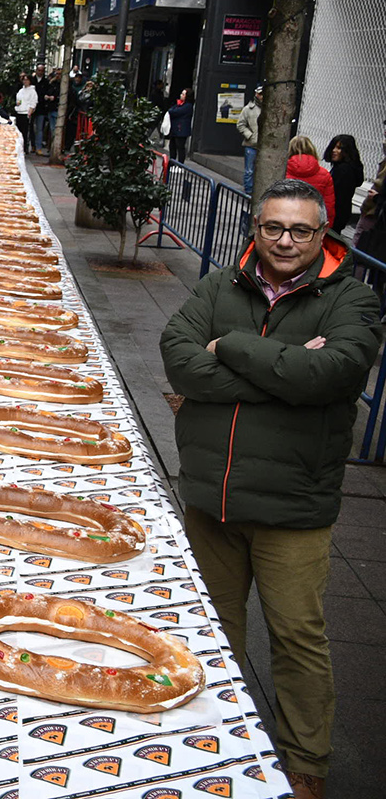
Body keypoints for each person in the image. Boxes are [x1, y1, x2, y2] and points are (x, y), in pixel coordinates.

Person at [160, 178, 382, 799]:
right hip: (212, 494)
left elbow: (333, 373)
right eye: (273, 228)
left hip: (292, 507)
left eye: (301, 230)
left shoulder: (352, 302)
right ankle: (210, 742)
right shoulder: (220, 283)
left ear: (323, 235)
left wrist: (230, 348)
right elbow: (178, 357)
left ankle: (307, 764)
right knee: (210, 627)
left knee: (296, 637)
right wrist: (286, 371)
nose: (285, 241)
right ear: (255, 229)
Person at [286, 136, 337, 228]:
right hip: (311, 223)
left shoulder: (281, 171)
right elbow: (328, 205)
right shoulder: (325, 175)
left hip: (285, 219)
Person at [324, 135, 364, 233]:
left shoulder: (343, 170)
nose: (334, 150)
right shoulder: (346, 168)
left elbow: (338, 196)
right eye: (334, 147)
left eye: (339, 148)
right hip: (340, 214)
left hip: (335, 215)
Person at [236, 87, 263, 196]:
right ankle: (248, 191)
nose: (262, 96)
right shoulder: (248, 109)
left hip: (264, 146)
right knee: (249, 170)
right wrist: (250, 135)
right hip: (251, 144)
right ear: (256, 95)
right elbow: (240, 124)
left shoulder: (270, 108)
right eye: (260, 94)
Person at [166, 88, 194, 164]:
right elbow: (171, 110)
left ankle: (180, 164)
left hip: (181, 130)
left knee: (180, 147)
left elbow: (174, 112)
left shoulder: (188, 106)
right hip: (175, 129)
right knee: (172, 147)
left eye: (183, 94)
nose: (181, 95)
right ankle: (172, 163)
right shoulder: (179, 104)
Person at [34, 65, 57, 151]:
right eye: (39, 70)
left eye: (42, 71)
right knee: (32, 128)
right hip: (32, 107)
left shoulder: (46, 82)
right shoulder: (32, 80)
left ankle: (38, 147)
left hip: (41, 108)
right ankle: (33, 145)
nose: (40, 72)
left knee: (40, 128)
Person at [14, 73, 38, 154]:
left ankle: (25, 148)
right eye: (24, 80)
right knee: (19, 131)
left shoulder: (32, 91)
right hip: (19, 111)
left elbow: (33, 103)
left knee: (25, 132)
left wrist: (30, 112)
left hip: (26, 113)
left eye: (27, 80)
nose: (25, 81)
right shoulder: (21, 90)